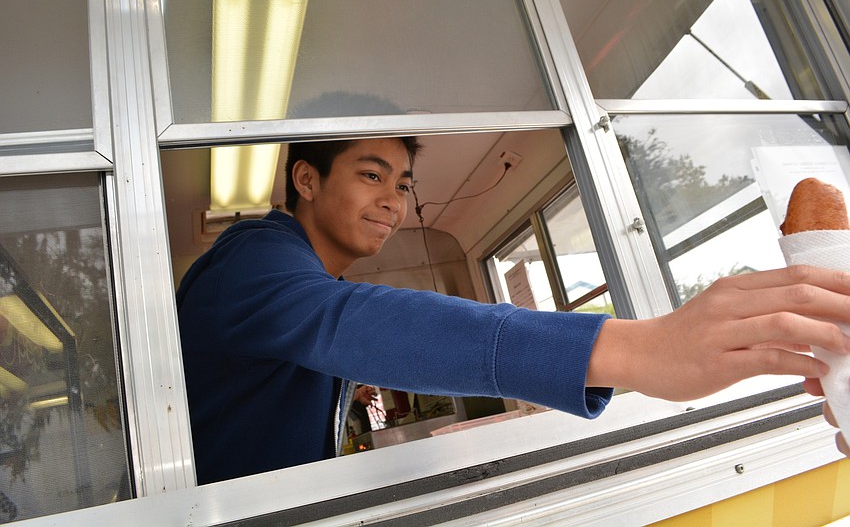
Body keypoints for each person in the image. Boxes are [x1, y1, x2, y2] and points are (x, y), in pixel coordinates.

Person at [177, 132, 850, 484]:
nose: (393, 201)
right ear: (305, 179)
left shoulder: (292, 270)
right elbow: (347, 322)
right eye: (371, 174)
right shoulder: (253, 255)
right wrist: (640, 349)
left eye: (404, 184)